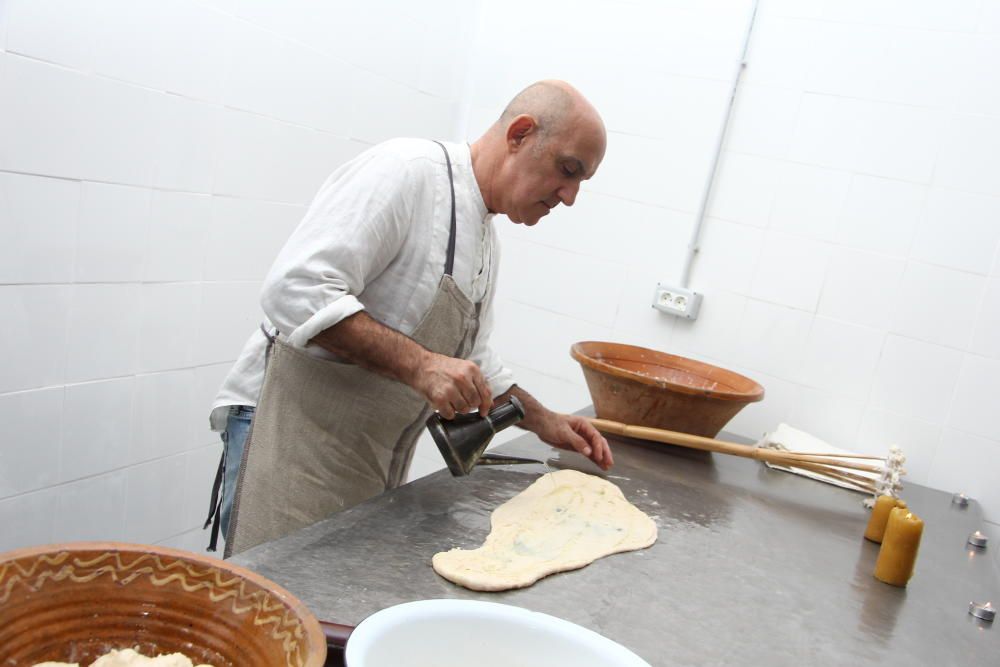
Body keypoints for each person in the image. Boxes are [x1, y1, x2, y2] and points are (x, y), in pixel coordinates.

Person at [204, 80, 614, 556]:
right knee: (266, 599)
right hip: (288, 433)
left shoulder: (484, 236)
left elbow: (472, 355)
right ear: (520, 134)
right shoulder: (406, 173)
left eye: (581, 183)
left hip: (358, 455)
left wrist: (545, 420)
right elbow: (295, 288)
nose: (569, 197)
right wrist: (420, 366)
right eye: (568, 170)